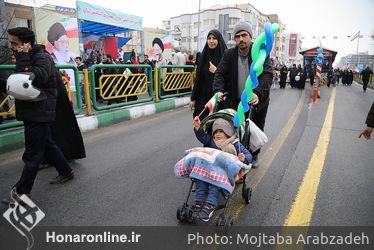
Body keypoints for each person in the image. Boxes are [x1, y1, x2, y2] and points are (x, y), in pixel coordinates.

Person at [2, 27, 73, 204]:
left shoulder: (42, 57)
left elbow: (28, 79)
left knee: (33, 154)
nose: (12, 46)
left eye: (14, 43)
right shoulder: (29, 56)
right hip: (31, 110)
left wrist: (22, 57)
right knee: (47, 144)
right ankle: (66, 171)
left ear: (26, 44)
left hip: (39, 110)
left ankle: (22, 192)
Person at [213, 21, 273, 168]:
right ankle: (238, 155)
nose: (241, 39)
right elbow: (219, 73)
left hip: (256, 100)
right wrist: (218, 90)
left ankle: (255, 154)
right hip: (237, 101)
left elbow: (267, 76)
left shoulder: (260, 53)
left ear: (250, 37)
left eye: (244, 35)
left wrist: (258, 94)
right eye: (237, 36)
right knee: (236, 129)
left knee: (255, 128)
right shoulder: (229, 54)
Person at [193, 117, 252, 221]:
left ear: (228, 132)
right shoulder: (211, 141)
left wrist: (244, 158)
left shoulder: (235, 143)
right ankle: (199, 202)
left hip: (224, 173)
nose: (218, 134)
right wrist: (198, 127)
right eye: (215, 132)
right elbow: (202, 136)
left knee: (216, 183)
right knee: (200, 178)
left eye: (221, 131)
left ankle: (210, 205)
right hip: (209, 169)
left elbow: (248, 155)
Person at [189, 29, 227, 120]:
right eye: (209, 38)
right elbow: (198, 79)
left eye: (214, 38)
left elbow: (230, 78)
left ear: (219, 40)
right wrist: (193, 98)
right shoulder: (203, 57)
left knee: (218, 129)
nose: (211, 41)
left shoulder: (226, 56)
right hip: (204, 98)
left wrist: (216, 71)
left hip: (219, 99)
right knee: (202, 125)